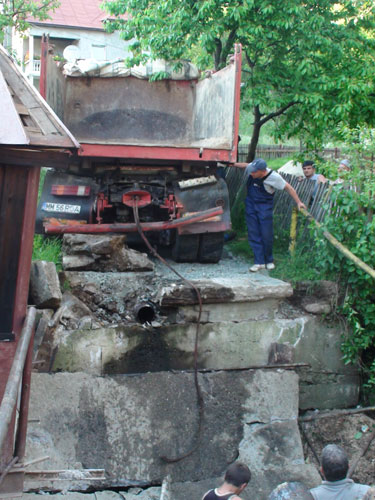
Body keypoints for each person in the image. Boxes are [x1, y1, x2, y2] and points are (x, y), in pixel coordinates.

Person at [245, 158, 306, 272]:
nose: (251, 173)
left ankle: (269, 260)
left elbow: (289, 188)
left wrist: (298, 202)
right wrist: (231, 164)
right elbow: (244, 165)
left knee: (266, 234)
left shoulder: (274, 177)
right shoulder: (253, 170)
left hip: (264, 207)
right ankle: (259, 262)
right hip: (251, 205)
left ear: (262, 171)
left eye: (254, 172)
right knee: (253, 232)